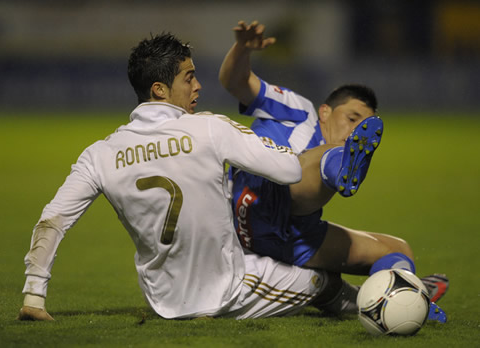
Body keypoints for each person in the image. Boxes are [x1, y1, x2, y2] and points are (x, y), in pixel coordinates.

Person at [18, 33, 349, 322]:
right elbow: (290, 170)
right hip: (228, 290)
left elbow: (54, 219)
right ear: (160, 89)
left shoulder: (100, 153)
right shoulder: (209, 127)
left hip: (162, 299)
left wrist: (34, 294)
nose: (198, 86)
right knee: (322, 281)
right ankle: (377, 304)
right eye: (189, 78)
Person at [218, 21, 448, 320]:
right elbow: (235, 82)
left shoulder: (337, 149)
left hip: (292, 235)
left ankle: (405, 298)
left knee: (397, 249)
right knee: (319, 159)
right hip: (252, 204)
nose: (355, 131)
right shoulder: (297, 109)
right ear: (325, 111)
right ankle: (338, 170)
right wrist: (242, 49)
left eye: (363, 127)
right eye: (353, 119)